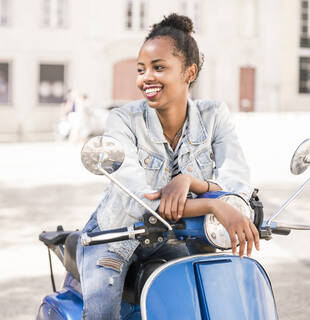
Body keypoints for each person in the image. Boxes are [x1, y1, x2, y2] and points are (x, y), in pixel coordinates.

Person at [76, 13, 260, 319]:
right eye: (141, 69)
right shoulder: (122, 120)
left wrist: (194, 182)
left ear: (189, 72)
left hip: (175, 237)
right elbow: (140, 198)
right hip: (115, 237)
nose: (145, 77)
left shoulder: (215, 115)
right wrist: (213, 206)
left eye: (158, 67)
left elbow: (237, 183)